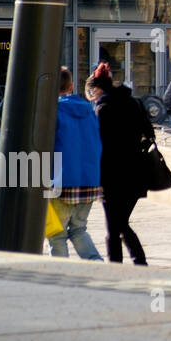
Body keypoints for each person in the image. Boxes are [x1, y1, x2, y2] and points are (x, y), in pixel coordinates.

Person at [87, 63, 151, 266]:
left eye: (91, 91)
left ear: (98, 89)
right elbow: (149, 134)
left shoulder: (103, 109)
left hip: (112, 176)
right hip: (137, 173)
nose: (91, 96)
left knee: (115, 226)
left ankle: (121, 265)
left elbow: (98, 146)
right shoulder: (135, 103)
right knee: (120, 223)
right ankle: (138, 262)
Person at [48, 67, 104, 261]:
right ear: (71, 86)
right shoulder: (88, 111)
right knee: (79, 229)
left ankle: (61, 274)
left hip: (61, 182)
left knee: (57, 234)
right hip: (89, 181)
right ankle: (95, 262)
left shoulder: (51, 112)